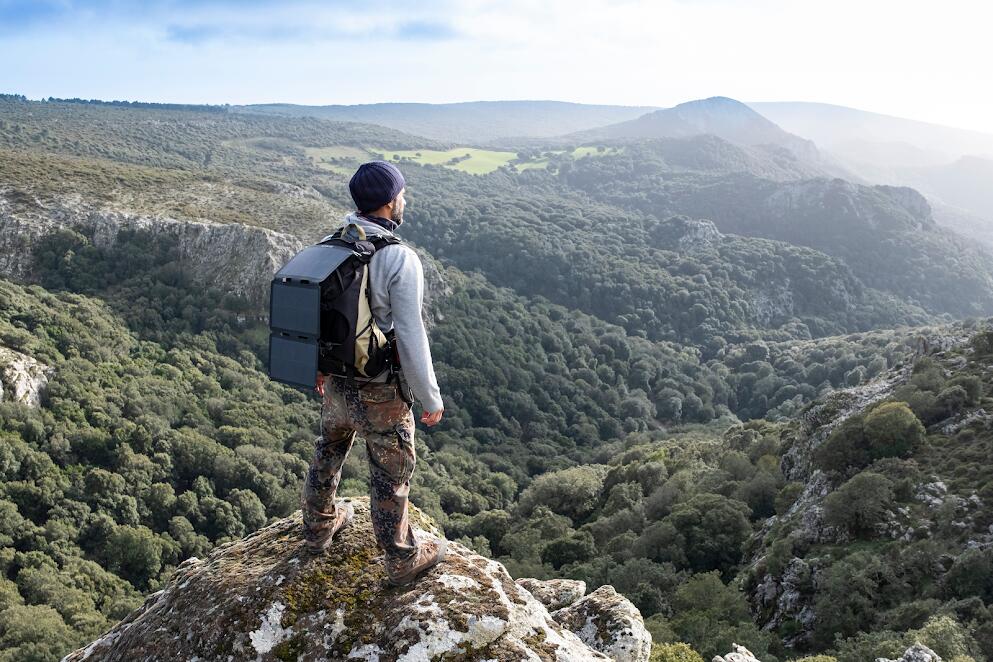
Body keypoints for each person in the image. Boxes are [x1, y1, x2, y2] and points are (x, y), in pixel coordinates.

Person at [300, 160, 446, 586]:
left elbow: (316, 314)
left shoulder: (330, 245)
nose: (405, 200)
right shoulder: (398, 258)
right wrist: (429, 396)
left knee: (328, 449)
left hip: (336, 382)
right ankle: (401, 558)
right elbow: (411, 333)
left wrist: (317, 367)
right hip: (380, 390)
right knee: (390, 470)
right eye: (402, 194)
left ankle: (317, 528)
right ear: (388, 203)